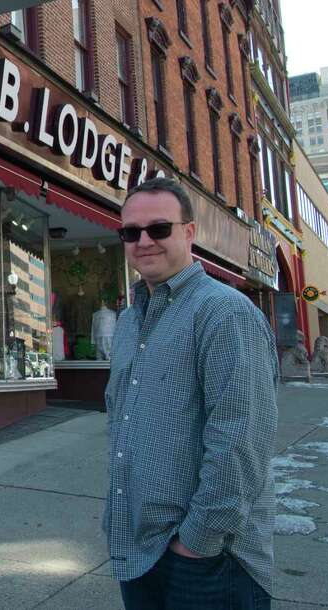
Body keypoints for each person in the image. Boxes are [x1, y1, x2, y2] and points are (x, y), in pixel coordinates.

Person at [104, 177, 279, 610]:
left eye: (159, 229)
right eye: (131, 232)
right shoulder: (129, 322)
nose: (144, 241)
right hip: (140, 552)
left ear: (189, 232)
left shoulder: (225, 312)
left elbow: (242, 439)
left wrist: (198, 541)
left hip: (211, 562)